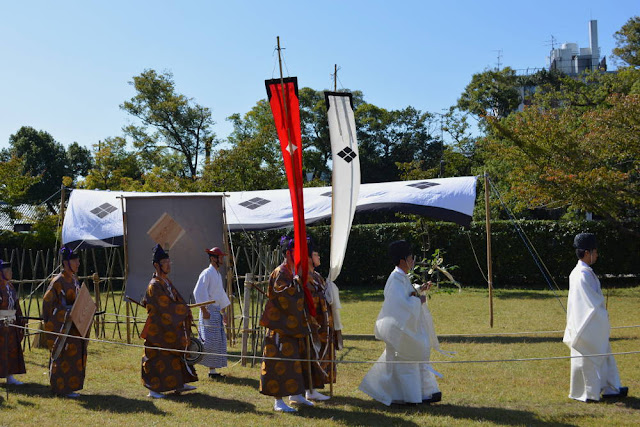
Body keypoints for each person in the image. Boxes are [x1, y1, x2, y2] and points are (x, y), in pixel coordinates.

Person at [359, 240, 443, 406]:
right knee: (405, 362)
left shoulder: (401, 277)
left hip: (403, 327)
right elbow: (399, 304)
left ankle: (423, 393)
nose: (413, 261)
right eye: (411, 258)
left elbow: (406, 295)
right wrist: (418, 301)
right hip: (399, 329)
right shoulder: (395, 277)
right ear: (402, 260)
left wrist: (419, 290)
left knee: (413, 359)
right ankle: (407, 396)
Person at [259, 236, 327, 413]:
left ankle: (296, 395)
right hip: (280, 327)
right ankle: (278, 401)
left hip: (295, 326)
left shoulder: (294, 271)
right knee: (280, 364)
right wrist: (297, 284)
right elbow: (282, 297)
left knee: (297, 362)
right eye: (297, 252)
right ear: (289, 253)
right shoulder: (281, 272)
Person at [563, 232, 628, 402]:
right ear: (586, 253)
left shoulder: (578, 272)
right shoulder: (583, 274)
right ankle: (589, 393)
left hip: (584, 323)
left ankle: (611, 388)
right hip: (588, 323)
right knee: (589, 359)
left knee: (603, 355)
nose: (597, 255)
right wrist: (602, 312)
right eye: (595, 251)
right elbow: (590, 302)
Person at [141, 244, 198, 399]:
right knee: (157, 358)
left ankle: (180, 383)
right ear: (156, 265)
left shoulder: (166, 282)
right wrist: (182, 310)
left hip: (169, 326)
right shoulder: (154, 285)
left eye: (169, 261)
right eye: (165, 262)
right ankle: (153, 390)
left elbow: (177, 300)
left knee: (175, 355)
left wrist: (185, 310)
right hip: (158, 329)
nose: (168, 264)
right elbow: (164, 307)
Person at [42, 246, 88, 397]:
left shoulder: (74, 280)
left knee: (74, 355)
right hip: (62, 325)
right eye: (75, 260)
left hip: (74, 326)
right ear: (67, 263)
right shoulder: (58, 281)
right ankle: (61, 388)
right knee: (63, 355)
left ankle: (71, 386)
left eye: (78, 260)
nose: (78, 263)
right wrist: (66, 313)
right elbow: (48, 304)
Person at [193, 246, 230, 378]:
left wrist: (224, 312)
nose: (222, 259)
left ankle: (213, 372)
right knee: (208, 342)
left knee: (217, 341)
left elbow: (220, 295)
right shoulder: (206, 273)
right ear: (213, 259)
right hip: (208, 310)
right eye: (220, 257)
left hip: (216, 311)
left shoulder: (218, 275)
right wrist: (204, 310)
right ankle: (192, 361)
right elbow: (198, 291)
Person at [305, 238, 333, 401]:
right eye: (316, 255)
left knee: (321, 352)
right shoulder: (306, 277)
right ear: (309, 257)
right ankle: (310, 389)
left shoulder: (316, 275)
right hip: (313, 322)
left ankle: (313, 388)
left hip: (323, 322)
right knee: (312, 352)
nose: (319, 257)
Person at [0, 259, 26, 385]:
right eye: (7, 270)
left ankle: (10, 376)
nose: (10, 272)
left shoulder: (10, 286)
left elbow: (15, 304)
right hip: (1, 323)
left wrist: (20, 318)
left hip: (11, 323)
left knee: (10, 349)